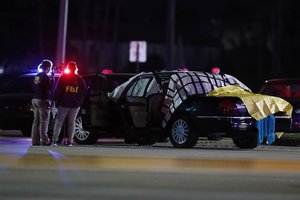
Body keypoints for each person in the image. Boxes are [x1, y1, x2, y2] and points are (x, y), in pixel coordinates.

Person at [51, 61, 87, 147]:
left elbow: (58, 91)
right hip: (75, 105)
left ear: (68, 68)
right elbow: (84, 92)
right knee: (72, 123)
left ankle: (55, 141)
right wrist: (79, 101)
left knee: (59, 122)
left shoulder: (63, 77)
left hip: (63, 104)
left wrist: (55, 100)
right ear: (75, 68)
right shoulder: (80, 79)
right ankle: (70, 141)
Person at [31, 59, 54, 145]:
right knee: (44, 121)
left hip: (35, 99)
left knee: (36, 121)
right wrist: (52, 78)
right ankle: (44, 140)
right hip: (43, 100)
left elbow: (34, 86)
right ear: (48, 67)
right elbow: (50, 87)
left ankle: (35, 141)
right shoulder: (45, 76)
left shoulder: (37, 75)